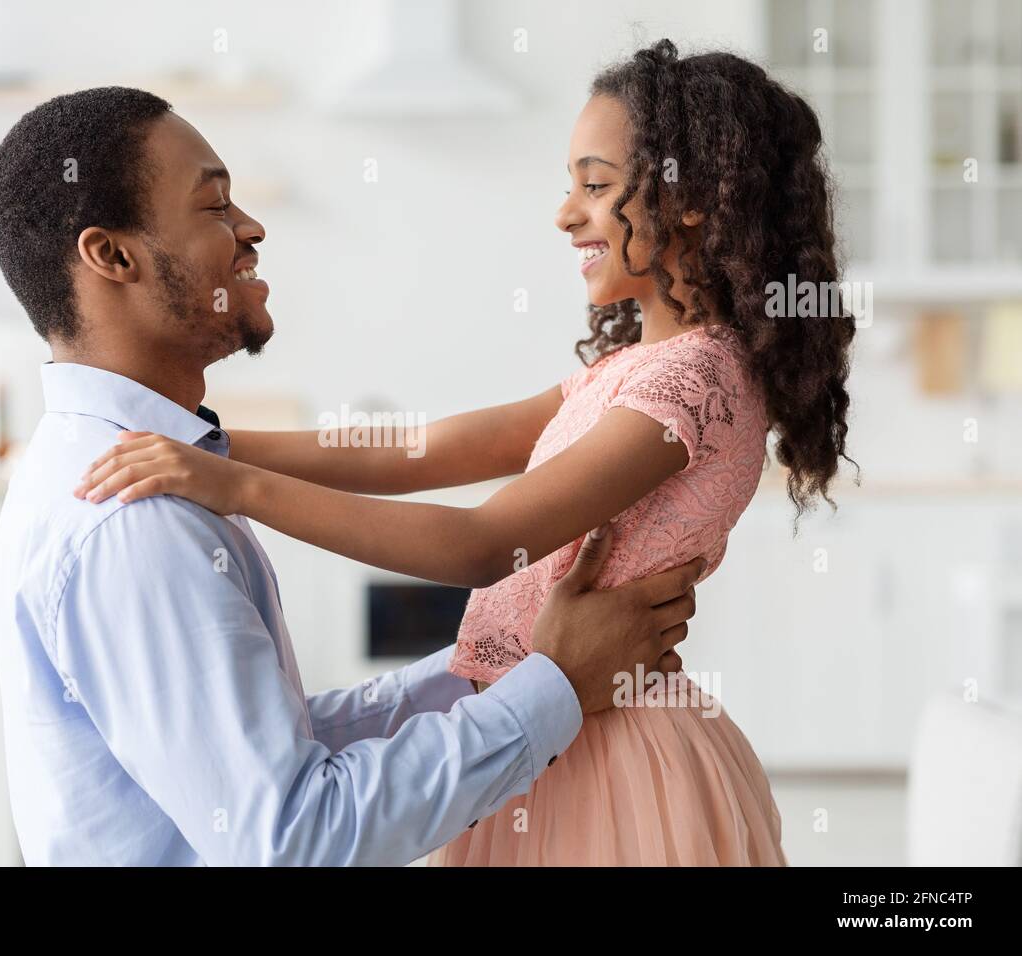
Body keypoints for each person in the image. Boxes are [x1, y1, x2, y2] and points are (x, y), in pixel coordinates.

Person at [78, 41, 857, 865]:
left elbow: (485, 546)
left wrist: (232, 484)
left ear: (692, 198)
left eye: (594, 186)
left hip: (617, 759)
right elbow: (420, 448)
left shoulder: (697, 383)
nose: (565, 213)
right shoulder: (634, 370)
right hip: (556, 728)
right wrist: (214, 440)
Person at [0, 85, 700, 866]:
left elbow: (254, 749)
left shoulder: (125, 463)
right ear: (112, 256)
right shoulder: (132, 513)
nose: (252, 229)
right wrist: (553, 686)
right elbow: (296, 837)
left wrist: (497, 669)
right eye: (216, 207)